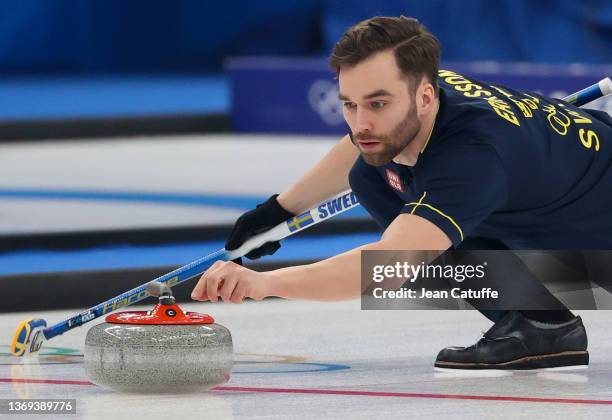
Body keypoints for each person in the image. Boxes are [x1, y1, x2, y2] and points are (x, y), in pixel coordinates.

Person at [191, 16, 612, 370]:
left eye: (377, 104)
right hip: (566, 213)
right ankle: (538, 325)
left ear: (424, 97)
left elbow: (388, 266)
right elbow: (363, 141)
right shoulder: (429, 93)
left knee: (414, 227)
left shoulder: (470, 157)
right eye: (349, 104)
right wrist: (280, 209)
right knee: (372, 175)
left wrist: (263, 284)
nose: (360, 122)